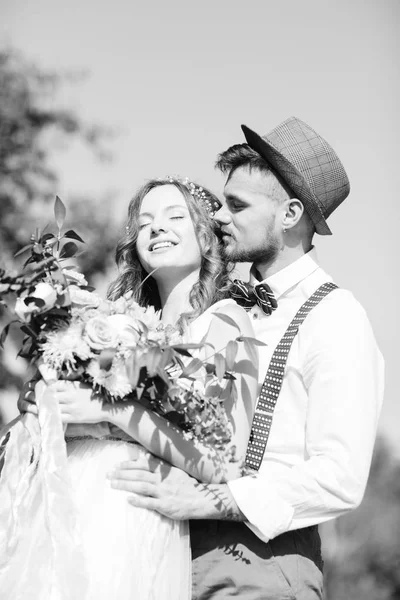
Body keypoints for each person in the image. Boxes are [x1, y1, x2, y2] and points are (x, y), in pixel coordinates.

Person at [108, 117, 384, 600]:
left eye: (237, 205)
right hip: (173, 552)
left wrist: (212, 499)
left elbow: (339, 476)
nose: (217, 216)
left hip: (266, 563)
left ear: (290, 213)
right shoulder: (220, 313)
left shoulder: (336, 316)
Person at [13, 177, 258, 599]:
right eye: (144, 223)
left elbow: (224, 462)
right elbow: (76, 412)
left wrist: (110, 413)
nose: (156, 228)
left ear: (206, 238)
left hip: (133, 527)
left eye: (174, 216)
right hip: (73, 511)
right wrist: (46, 407)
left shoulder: (225, 321)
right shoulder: (113, 322)